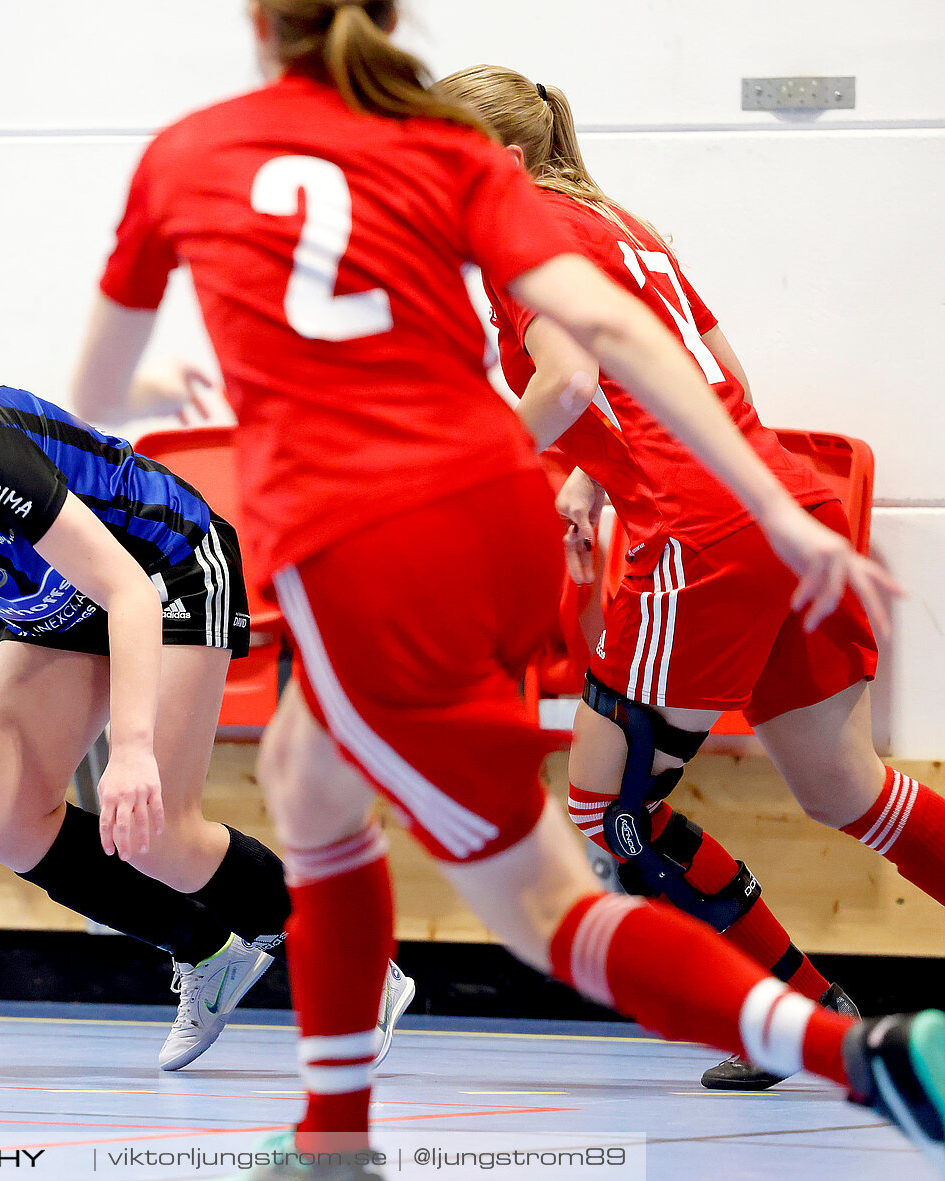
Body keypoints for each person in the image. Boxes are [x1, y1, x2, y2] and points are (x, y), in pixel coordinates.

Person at [68, 1, 942, 1176]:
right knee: (840, 788)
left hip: (402, 533)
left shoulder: (230, 153)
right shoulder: (563, 201)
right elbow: (682, 363)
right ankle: (338, 1131)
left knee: (577, 845)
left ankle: (838, 1039)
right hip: (689, 506)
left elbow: (567, 372)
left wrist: (563, 459)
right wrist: (756, 500)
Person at [434, 63, 945, 1091]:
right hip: (784, 504)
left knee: (609, 810)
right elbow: (722, 379)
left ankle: (801, 1015)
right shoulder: (621, 222)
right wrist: (590, 466)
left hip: (702, 539)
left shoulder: (521, 239)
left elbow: (571, 377)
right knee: (849, 785)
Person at [0, 310, 414, 1074]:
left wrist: (133, 748)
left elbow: (127, 590)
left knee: (160, 831)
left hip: (162, 570)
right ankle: (208, 952)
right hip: (59, 607)